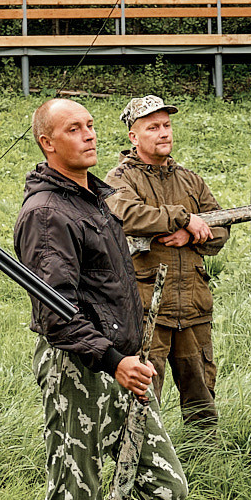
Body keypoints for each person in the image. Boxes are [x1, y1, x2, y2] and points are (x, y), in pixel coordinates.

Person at [13, 99, 251, 500]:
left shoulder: (95, 199)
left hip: (124, 364)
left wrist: (126, 356)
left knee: (163, 476)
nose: (89, 136)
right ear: (48, 142)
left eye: (91, 125)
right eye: (74, 129)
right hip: (83, 370)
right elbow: (55, 312)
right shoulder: (48, 213)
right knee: (77, 490)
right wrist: (109, 358)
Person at [104, 95, 227, 429]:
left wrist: (193, 234)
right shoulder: (119, 179)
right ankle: (143, 470)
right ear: (133, 136)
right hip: (148, 310)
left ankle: (205, 464)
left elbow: (221, 227)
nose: (163, 133)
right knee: (144, 400)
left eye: (167, 125)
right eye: (153, 127)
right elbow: (127, 215)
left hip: (193, 306)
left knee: (202, 397)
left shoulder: (189, 179)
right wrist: (183, 218)